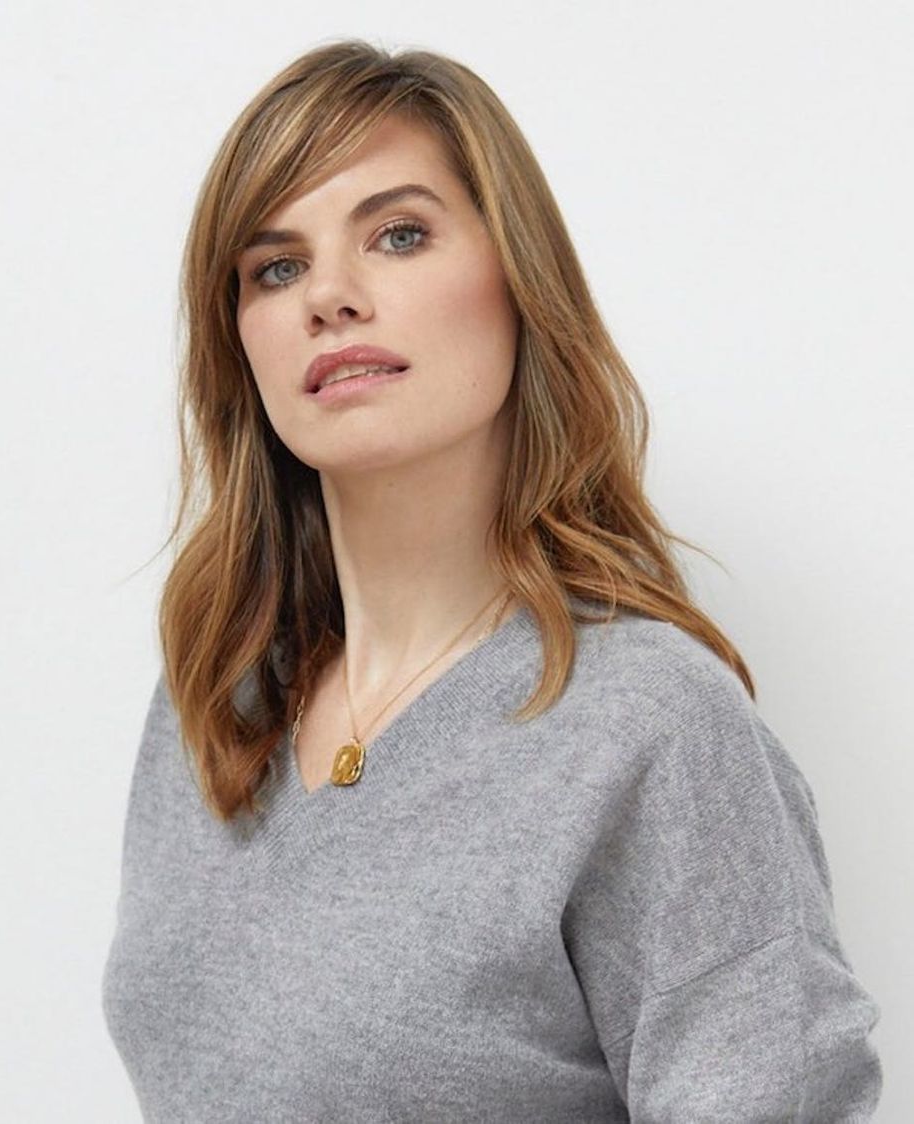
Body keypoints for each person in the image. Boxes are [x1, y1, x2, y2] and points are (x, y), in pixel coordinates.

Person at [101, 39, 882, 1122]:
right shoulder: (218, 697)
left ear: (518, 280)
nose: (329, 295)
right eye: (274, 268)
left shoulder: (647, 725)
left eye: (398, 235)